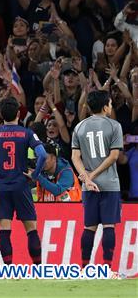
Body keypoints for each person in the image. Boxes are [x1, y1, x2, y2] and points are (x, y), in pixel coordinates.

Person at [0, 97, 47, 266]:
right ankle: (38, 268)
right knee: (31, 229)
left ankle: (8, 269)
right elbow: (42, 154)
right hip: (21, 186)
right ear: (18, 114)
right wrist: (35, 175)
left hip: (1, 187)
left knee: (4, 230)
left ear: (1, 115)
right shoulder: (26, 133)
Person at [71, 91, 124, 273]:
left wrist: (86, 178)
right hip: (110, 184)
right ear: (105, 107)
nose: (111, 106)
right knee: (109, 226)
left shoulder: (79, 127)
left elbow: (75, 157)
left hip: (88, 187)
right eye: (110, 103)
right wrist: (92, 176)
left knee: (89, 227)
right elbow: (114, 156)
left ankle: (85, 268)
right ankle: (107, 269)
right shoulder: (114, 126)